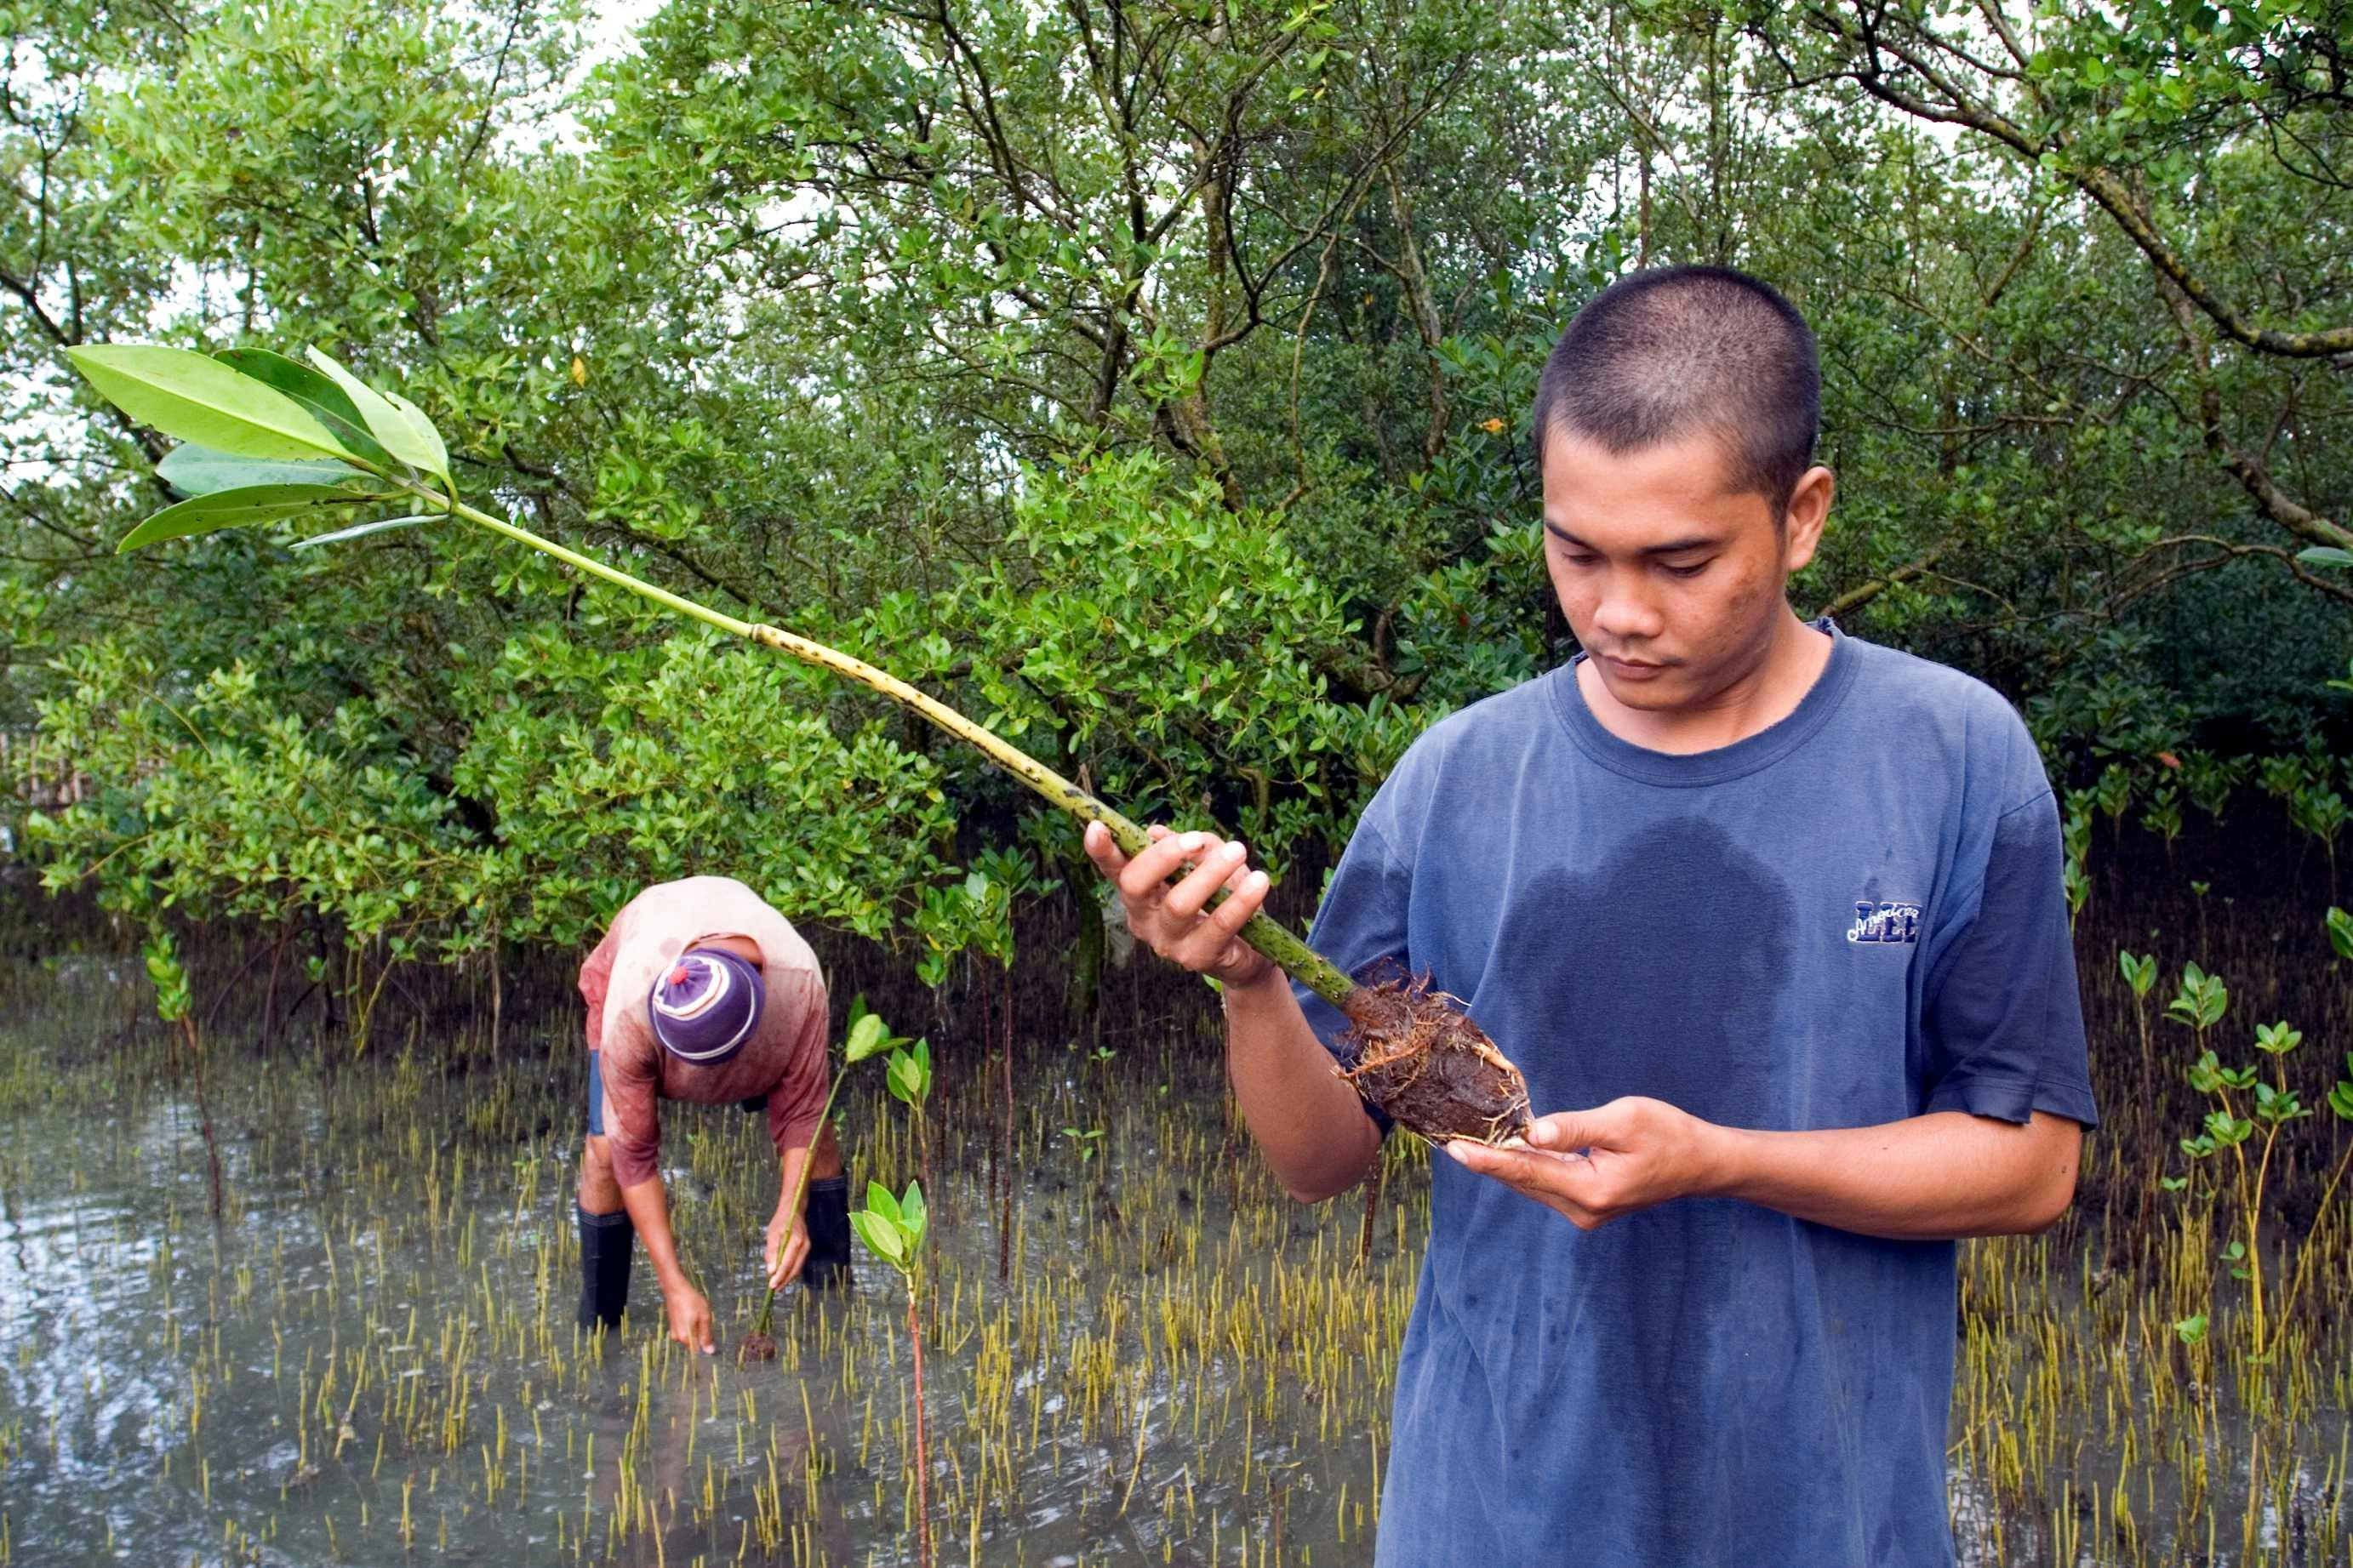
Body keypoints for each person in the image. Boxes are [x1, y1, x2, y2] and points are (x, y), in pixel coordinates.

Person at [1083, 265, 2095, 1566]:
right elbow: (1318, 1159)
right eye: (1576, 551)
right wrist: (1248, 983)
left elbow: (2029, 1166)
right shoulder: (1455, 778)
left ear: (1801, 516)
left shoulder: (1952, 757)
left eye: (1680, 560)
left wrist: (1717, 1158)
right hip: (1489, 1520)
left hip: (1825, 1521)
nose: (1618, 611)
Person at [575, 875, 853, 1353]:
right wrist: (674, 1286)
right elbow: (634, 1157)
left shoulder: (799, 982)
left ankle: (831, 1297)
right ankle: (601, 1324)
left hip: (769, 1003)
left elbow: (803, 1114)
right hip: (646, 952)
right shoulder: (631, 1014)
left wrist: (791, 1212)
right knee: (604, 1153)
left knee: (819, 1135)